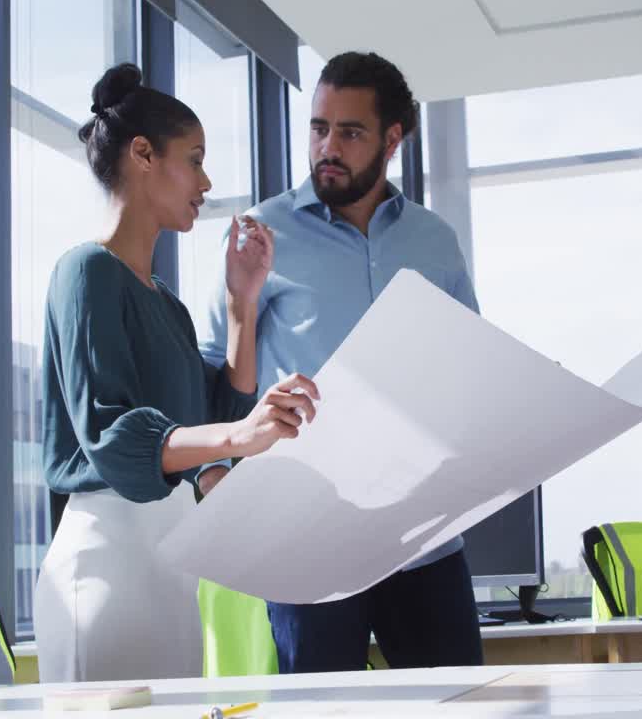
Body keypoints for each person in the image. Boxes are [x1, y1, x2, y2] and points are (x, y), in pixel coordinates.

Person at [195, 51, 483, 673]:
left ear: (392, 140)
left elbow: (467, 360)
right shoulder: (260, 232)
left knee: (462, 703)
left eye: (350, 132)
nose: (328, 146)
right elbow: (214, 363)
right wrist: (212, 471)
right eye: (319, 128)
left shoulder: (435, 241)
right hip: (307, 537)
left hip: (424, 535)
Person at [34, 63, 320, 682]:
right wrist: (238, 434)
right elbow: (113, 433)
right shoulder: (84, 272)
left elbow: (215, 421)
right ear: (143, 154)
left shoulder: (167, 304)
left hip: (172, 571)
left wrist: (242, 302)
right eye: (194, 160)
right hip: (107, 566)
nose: (206, 181)